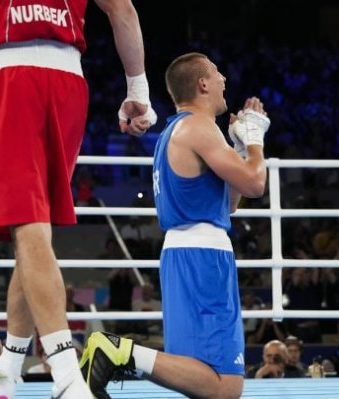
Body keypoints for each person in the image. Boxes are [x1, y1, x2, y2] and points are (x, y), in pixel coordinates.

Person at [0, 0, 155, 397]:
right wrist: (138, 89)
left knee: (30, 229)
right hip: (67, 86)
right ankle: (8, 368)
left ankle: (66, 375)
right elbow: (124, 11)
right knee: (33, 232)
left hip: (4, 81)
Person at [80, 52, 269, 398]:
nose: (224, 79)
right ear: (202, 84)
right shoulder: (199, 128)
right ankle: (119, 352)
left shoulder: (174, 130)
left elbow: (230, 203)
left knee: (200, 375)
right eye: (217, 72)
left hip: (187, 252)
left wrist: (241, 150)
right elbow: (256, 185)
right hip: (202, 257)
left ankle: (120, 354)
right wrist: (255, 141)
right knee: (226, 386)